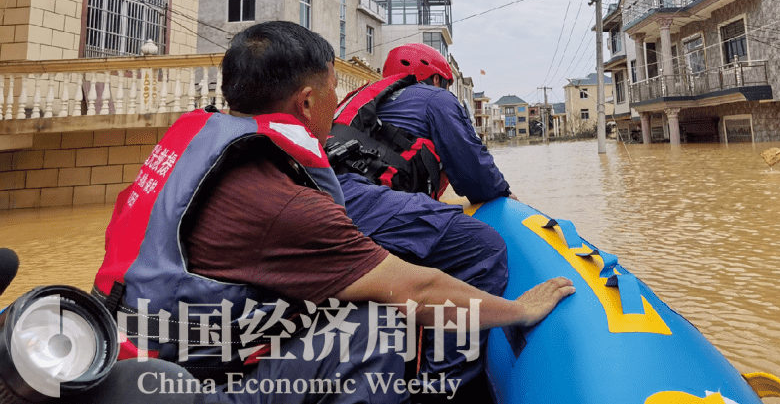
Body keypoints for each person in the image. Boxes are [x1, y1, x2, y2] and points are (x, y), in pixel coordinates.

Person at [93, 22, 574, 403]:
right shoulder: (283, 203)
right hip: (185, 380)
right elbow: (419, 287)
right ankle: (441, 394)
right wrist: (518, 310)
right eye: (330, 91)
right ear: (306, 102)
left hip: (132, 347)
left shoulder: (201, 147)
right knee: (384, 324)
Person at [333, 43, 514, 397]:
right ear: (433, 78)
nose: (444, 91)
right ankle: (444, 387)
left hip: (325, 198)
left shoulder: (358, 102)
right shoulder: (436, 99)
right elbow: (477, 177)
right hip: (360, 201)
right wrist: (504, 196)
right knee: (483, 248)